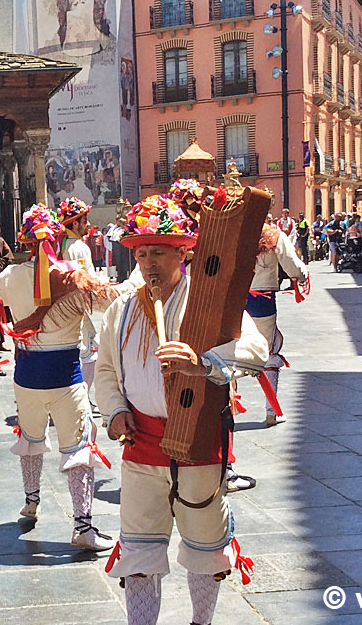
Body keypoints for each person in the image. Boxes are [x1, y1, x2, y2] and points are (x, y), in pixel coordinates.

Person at [97, 195, 267, 625]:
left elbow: (256, 350)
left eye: (158, 251)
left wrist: (204, 362)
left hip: (197, 443)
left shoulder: (209, 299)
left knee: (204, 549)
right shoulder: (121, 307)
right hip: (141, 446)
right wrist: (115, 411)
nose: (148, 262)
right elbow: (103, 370)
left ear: (182, 252)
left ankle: (200, 622)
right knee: (138, 553)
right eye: (141, 253)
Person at [0, 204, 130, 552]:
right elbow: (109, 304)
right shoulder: (73, 277)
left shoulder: (10, 276)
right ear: (57, 236)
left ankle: (31, 500)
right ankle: (83, 525)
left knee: (31, 438)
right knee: (78, 448)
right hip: (65, 376)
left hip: (26, 376)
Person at [249, 222, 309, 426]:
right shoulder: (271, 234)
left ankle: (228, 410)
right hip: (261, 298)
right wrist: (303, 275)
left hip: (230, 298)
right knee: (269, 352)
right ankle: (271, 412)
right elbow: (291, 263)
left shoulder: (227, 229)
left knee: (227, 352)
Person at [58, 197, 103, 409]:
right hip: (78, 308)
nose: (87, 225)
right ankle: (79, 399)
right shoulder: (78, 247)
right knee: (88, 356)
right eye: (84, 221)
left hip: (61, 307)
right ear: (75, 223)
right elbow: (88, 280)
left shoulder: (58, 245)